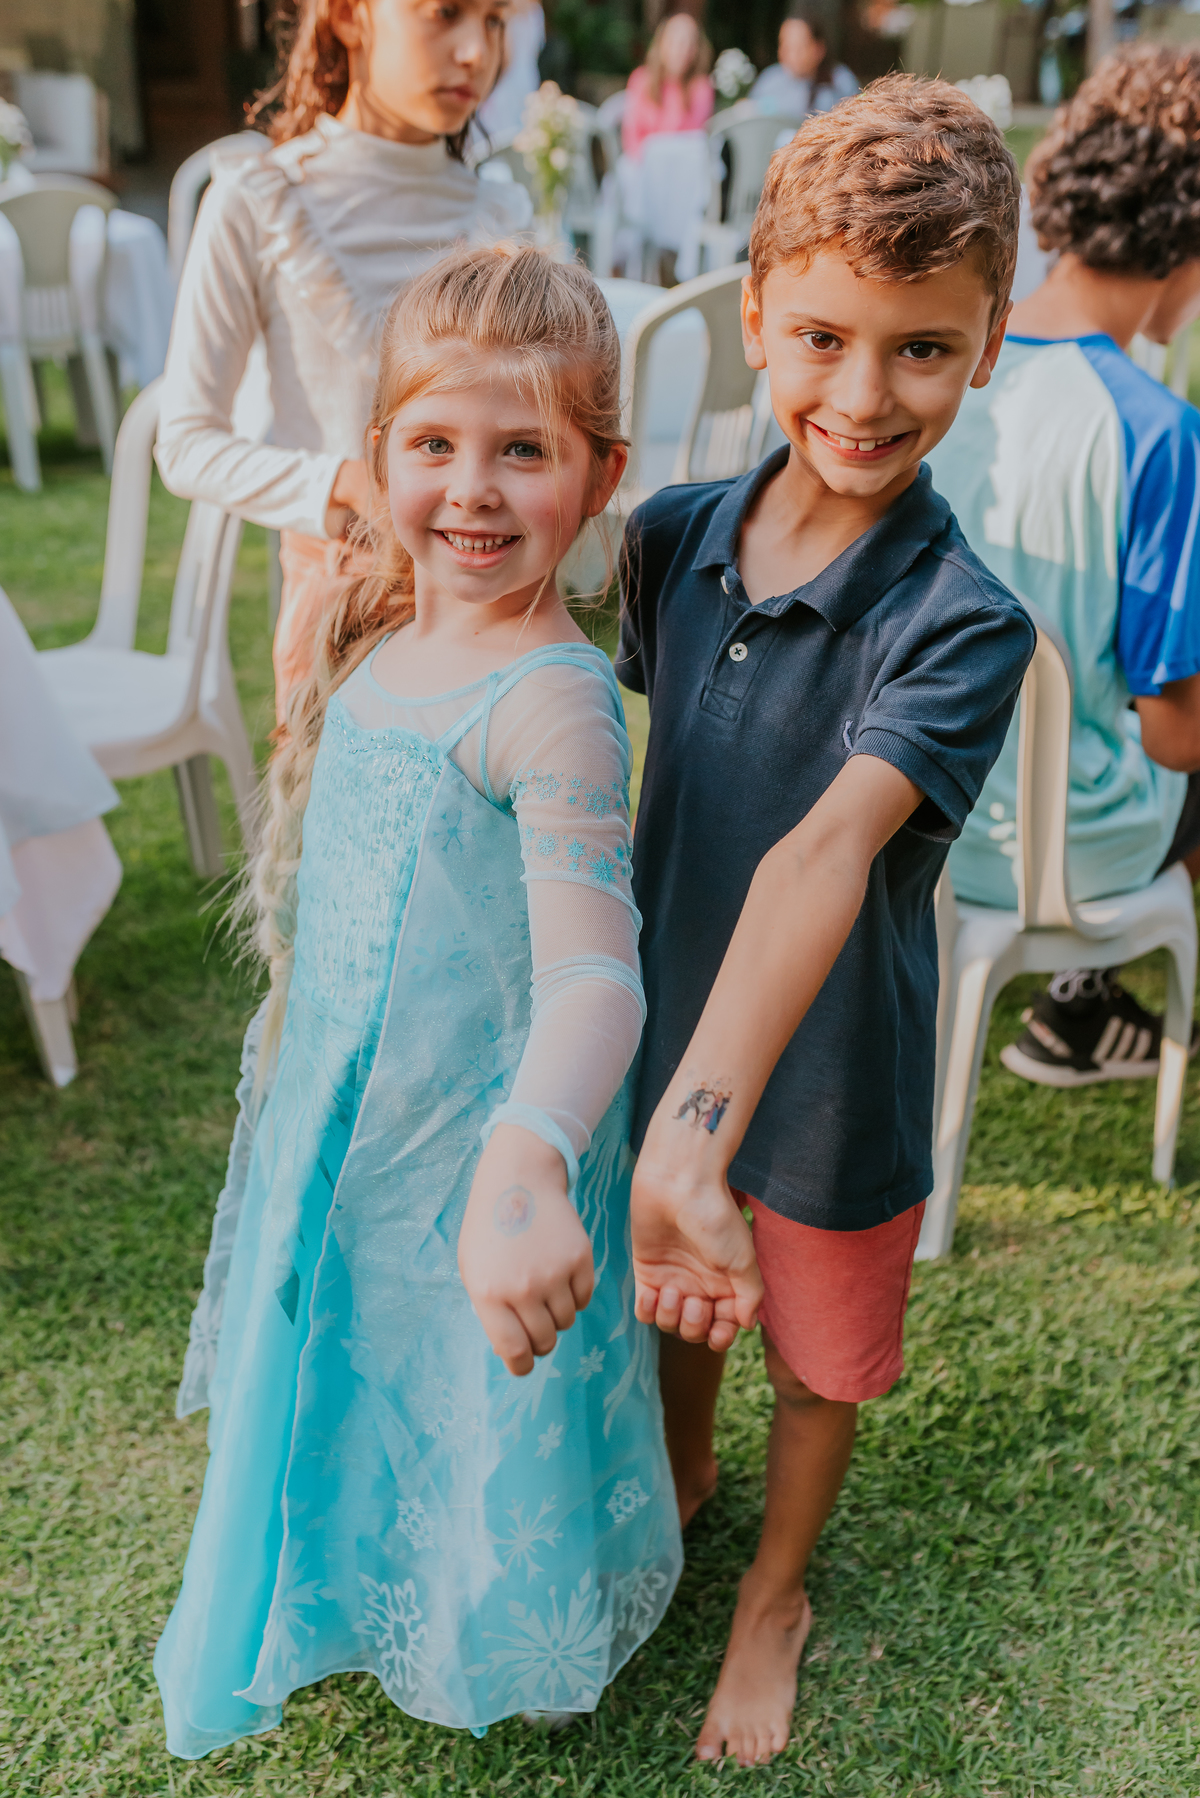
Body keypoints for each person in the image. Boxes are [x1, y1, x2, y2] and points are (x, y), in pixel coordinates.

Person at [155, 246, 683, 1759]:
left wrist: (529, 1152)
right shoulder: (384, 633)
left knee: (458, 1386)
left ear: (598, 476)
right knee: (350, 1356)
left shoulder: (553, 697)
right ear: (377, 450)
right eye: (433, 444)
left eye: (524, 450)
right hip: (348, 1110)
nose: (472, 488)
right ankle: (341, 1579)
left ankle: (467, 1624)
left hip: (477, 1136)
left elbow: (594, 968)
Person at [616, 77, 1036, 1765]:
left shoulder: (962, 622)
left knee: (818, 1364)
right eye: (823, 338)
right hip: (669, 1022)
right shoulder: (670, 540)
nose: (864, 397)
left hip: (829, 1074)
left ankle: (775, 1586)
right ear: (755, 315)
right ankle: (678, 1479)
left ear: (991, 337)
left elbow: (816, 858)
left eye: (922, 349)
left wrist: (699, 1125)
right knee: (685, 1307)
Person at [928, 46, 1200, 1087]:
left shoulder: (945, 367)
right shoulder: (1157, 432)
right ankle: (1083, 1002)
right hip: (1063, 852)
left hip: (915, 814)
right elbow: (1176, 739)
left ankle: (1084, 1008)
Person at [156, 0, 531, 720]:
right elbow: (186, 443)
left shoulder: (503, 213)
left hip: (495, 608)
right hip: (343, 608)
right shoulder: (260, 200)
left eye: (492, 22)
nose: (474, 53)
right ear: (350, 15)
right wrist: (347, 485)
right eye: (446, 14)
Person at [621, 13, 714, 160]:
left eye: (689, 43)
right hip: (644, 164)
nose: (681, 49)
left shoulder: (701, 88)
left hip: (682, 166)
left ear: (696, 50)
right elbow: (631, 138)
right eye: (675, 41)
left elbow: (693, 141)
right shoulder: (640, 80)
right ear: (661, 43)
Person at [750, 6, 858, 120]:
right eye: (785, 46)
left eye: (799, 48)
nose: (791, 55)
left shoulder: (841, 81)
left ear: (819, 49)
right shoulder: (769, 80)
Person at [477, 0, 546, 140]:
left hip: (509, 82)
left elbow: (505, 58)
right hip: (524, 80)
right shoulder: (535, 10)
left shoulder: (508, 9)